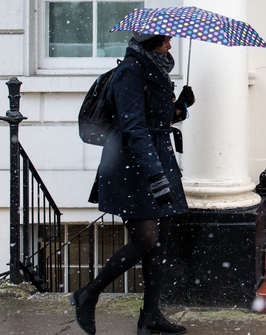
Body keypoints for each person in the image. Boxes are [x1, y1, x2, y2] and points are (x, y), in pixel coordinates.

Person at [71, 32, 195, 335]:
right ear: (150, 43)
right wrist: (155, 174)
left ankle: (150, 317)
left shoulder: (155, 71)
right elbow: (133, 127)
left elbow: (157, 120)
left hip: (156, 159)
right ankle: (88, 294)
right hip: (131, 165)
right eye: (164, 41)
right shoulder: (130, 71)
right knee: (147, 240)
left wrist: (180, 106)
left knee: (159, 242)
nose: (169, 45)